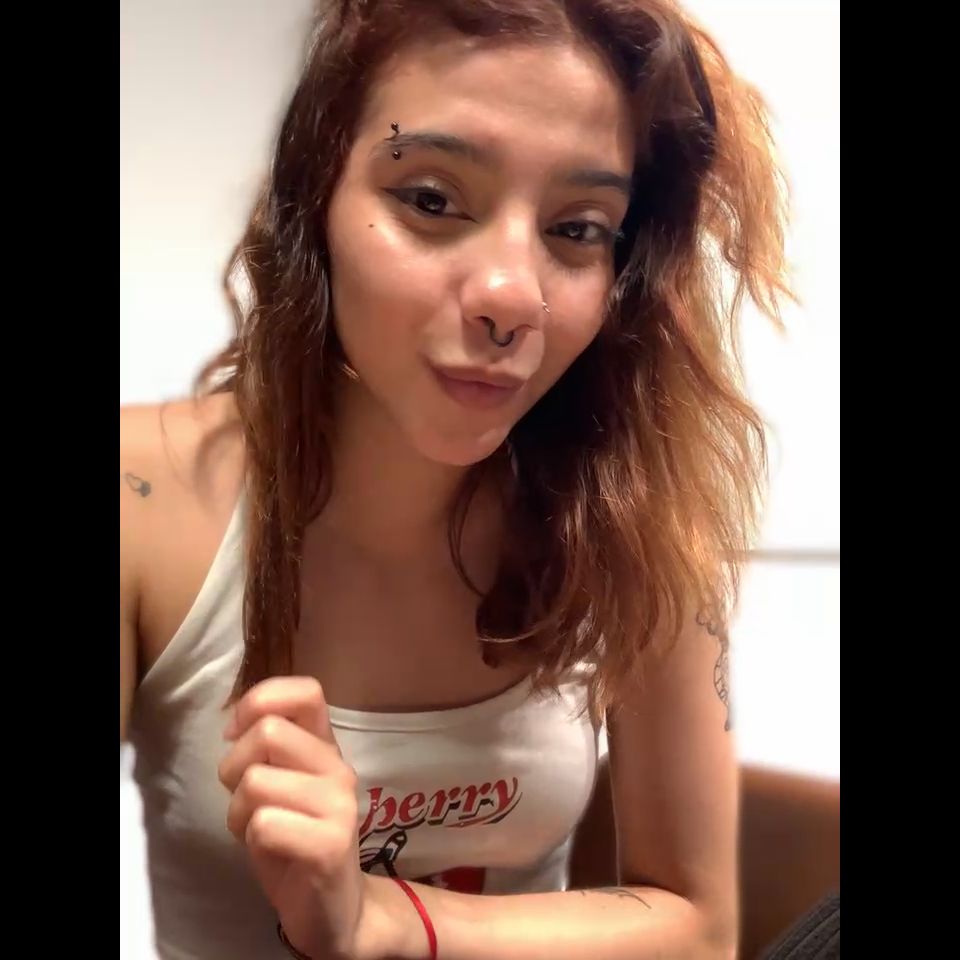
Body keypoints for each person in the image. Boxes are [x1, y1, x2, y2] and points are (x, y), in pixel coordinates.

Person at [120, 1, 791, 957]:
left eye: (577, 228)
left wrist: (385, 921)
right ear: (314, 200)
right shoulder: (142, 498)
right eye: (431, 200)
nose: (512, 296)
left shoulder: (639, 519)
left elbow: (699, 927)